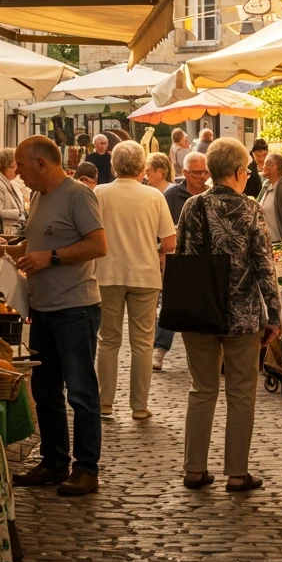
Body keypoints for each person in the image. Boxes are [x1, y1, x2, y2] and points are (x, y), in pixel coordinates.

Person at [0, 136, 107, 496]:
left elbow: (98, 245)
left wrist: (51, 258)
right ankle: (53, 461)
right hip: (43, 308)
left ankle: (86, 468)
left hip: (75, 307)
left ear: (42, 164)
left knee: (81, 391)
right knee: (45, 389)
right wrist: (3, 250)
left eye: (20, 165)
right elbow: (33, 246)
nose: (15, 172)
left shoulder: (79, 195)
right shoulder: (37, 196)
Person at [174, 138, 280, 492]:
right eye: (247, 170)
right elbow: (264, 265)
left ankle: (194, 469)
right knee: (241, 393)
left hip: (200, 310)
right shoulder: (250, 210)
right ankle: (237, 473)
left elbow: (184, 255)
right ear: (237, 172)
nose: (247, 175)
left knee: (201, 389)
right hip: (242, 315)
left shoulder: (192, 206)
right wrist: (274, 314)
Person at [94, 142, 176, 421]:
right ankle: (139, 406)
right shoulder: (154, 196)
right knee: (143, 343)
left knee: (108, 340)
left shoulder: (100, 193)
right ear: (143, 168)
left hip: (107, 273)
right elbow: (169, 241)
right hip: (145, 274)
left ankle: (105, 403)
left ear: (114, 166)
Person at [152, 150, 210, 371]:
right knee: (171, 304)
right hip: (176, 258)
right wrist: (161, 254)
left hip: (205, 259)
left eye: (205, 171)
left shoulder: (211, 194)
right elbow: (159, 228)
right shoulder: (172, 195)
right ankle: (160, 349)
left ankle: (205, 356)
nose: (201, 176)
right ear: (185, 172)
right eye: (196, 172)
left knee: (204, 306)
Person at [0, 149, 27, 237]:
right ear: (5, 166)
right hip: (4, 233)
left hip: (13, 231)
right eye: (14, 167)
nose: (17, 171)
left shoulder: (11, 182)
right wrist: (20, 213)